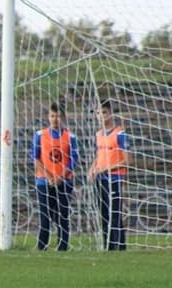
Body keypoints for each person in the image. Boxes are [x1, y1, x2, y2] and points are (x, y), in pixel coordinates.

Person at [31, 102, 80, 251]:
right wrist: (49, 176)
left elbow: (74, 160)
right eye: (52, 116)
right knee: (45, 216)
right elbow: (35, 158)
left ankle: (63, 246)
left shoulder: (70, 137)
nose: (55, 119)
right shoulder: (40, 135)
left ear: (63, 117)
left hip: (64, 182)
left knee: (62, 216)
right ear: (48, 117)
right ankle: (42, 246)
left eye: (58, 116)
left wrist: (61, 177)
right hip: (43, 181)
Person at [87, 99, 129, 250]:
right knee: (104, 213)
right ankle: (113, 246)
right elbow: (100, 155)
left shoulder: (120, 133)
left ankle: (116, 246)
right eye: (98, 113)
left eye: (104, 112)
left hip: (115, 179)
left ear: (110, 113)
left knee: (114, 213)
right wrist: (92, 168)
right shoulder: (98, 134)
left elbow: (126, 161)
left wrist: (105, 169)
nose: (101, 116)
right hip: (101, 179)